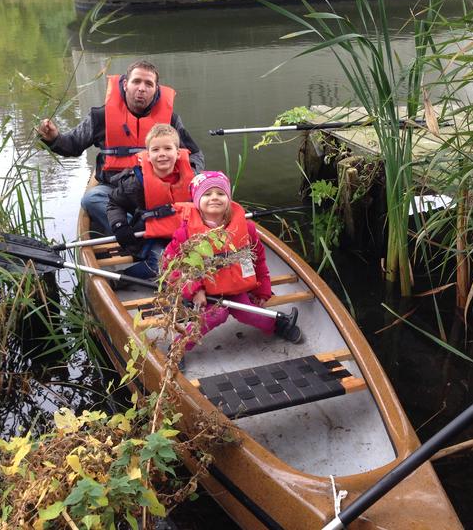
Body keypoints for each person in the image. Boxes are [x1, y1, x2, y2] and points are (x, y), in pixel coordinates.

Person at [36, 60, 204, 234]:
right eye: (136, 81)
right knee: (92, 199)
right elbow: (72, 145)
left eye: (148, 84)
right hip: (114, 189)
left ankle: (149, 230)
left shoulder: (170, 120)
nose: (142, 88)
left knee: (207, 193)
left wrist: (189, 178)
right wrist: (53, 138)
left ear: (156, 90)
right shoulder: (100, 117)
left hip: (157, 189)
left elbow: (195, 154)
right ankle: (137, 231)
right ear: (125, 84)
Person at [163, 171, 303, 356]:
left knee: (250, 313)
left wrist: (262, 289)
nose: (214, 198)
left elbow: (258, 259)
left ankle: (277, 324)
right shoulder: (186, 234)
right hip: (205, 292)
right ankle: (178, 348)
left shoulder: (247, 228)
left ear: (228, 198)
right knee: (215, 316)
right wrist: (195, 290)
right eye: (207, 194)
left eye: (220, 194)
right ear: (197, 201)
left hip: (236, 288)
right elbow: (171, 264)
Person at [106, 123, 196, 280]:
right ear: (148, 154)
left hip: (186, 234)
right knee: (161, 263)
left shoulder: (193, 178)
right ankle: (120, 278)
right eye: (155, 150)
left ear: (178, 152)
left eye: (168, 148)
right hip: (151, 237)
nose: (162, 154)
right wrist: (119, 226)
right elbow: (114, 203)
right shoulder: (135, 182)